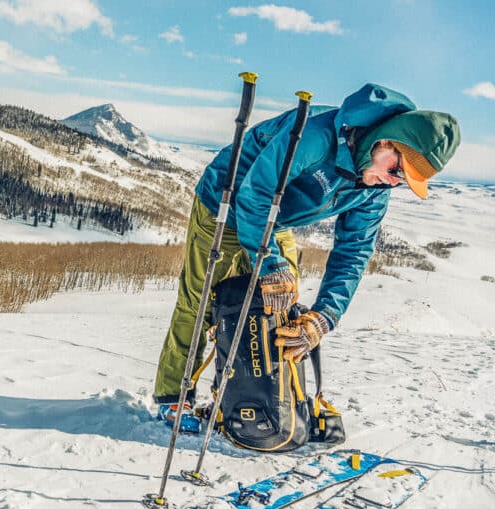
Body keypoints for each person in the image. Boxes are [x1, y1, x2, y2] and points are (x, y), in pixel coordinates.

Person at [154, 84, 461, 432]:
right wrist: (270, 265)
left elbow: (354, 250)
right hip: (224, 203)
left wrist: (325, 316)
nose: (392, 183)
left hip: (275, 217)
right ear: (387, 140)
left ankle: (260, 395)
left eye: (402, 181)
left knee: (281, 303)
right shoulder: (315, 135)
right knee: (199, 301)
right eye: (396, 170)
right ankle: (173, 396)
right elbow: (254, 195)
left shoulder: (374, 191)